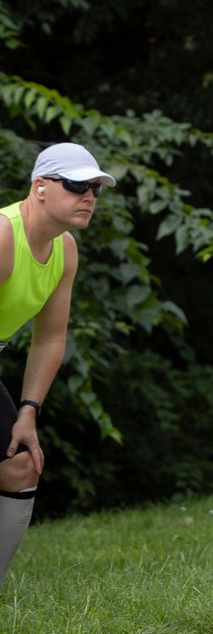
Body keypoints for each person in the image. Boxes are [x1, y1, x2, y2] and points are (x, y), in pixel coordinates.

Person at [1, 143, 115, 586]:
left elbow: (50, 336)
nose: (88, 196)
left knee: (21, 463)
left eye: (94, 189)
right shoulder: (4, 236)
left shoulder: (64, 250)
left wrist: (28, 411)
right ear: (40, 188)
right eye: (76, 185)